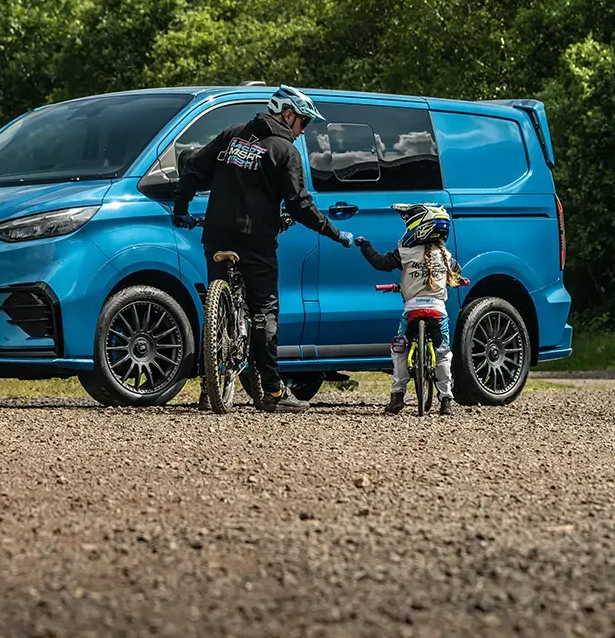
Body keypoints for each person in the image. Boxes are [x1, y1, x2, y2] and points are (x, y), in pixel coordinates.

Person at [173, 85, 353, 413]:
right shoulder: (284, 150)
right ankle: (272, 390)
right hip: (255, 241)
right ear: (288, 115)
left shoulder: (232, 135)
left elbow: (194, 168)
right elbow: (299, 204)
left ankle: (206, 390)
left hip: (215, 236)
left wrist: (181, 209)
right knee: (264, 313)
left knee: (217, 309)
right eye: (303, 123)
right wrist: (332, 231)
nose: (303, 131)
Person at [355, 203, 466, 416]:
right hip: (437, 312)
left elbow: (381, 263)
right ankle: (446, 400)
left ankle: (398, 396)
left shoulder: (404, 251)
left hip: (412, 311)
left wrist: (365, 245)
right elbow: (456, 273)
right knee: (443, 354)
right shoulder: (445, 255)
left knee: (399, 350)